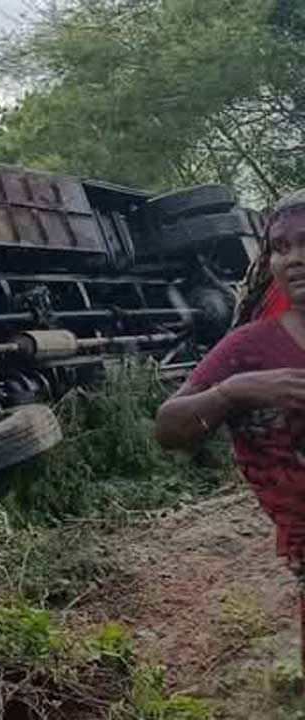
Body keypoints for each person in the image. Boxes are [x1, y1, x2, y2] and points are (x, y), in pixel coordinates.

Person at [154, 189, 305, 675]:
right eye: (280, 247)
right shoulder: (249, 348)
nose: (293, 259)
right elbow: (169, 429)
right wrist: (232, 393)